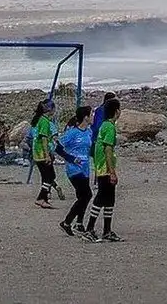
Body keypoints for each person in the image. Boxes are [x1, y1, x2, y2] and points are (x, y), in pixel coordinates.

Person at [85, 96, 121, 242]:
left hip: (102, 166)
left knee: (110, 198)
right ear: (116, 111)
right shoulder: (109, 127)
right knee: (101, 196)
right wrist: (112, 172)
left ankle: (107, 230)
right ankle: (89, 229)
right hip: (104, 167)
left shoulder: (105, 125)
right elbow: (107, 149)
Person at [58, 107, 94, 236]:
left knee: (82, 196)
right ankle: (67, 222)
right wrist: (71, 158)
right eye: (91, 114)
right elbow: (58, 147)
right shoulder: (72, 133)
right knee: (87, 195)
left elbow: (89, 149)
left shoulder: (89, 132)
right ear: (86, 117)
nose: (93, 116)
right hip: (74, 169)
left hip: (85, 168)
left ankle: (79, 223)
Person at [30, 97, 60, 208]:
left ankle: (44, 198)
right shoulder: (45, 122)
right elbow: (43, 139)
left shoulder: (40, 120)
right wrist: (47, 155)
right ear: (50, 109)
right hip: (41, 153)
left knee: (47, 176)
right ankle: (41, 198)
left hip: (37, 152)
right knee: (50, 176)